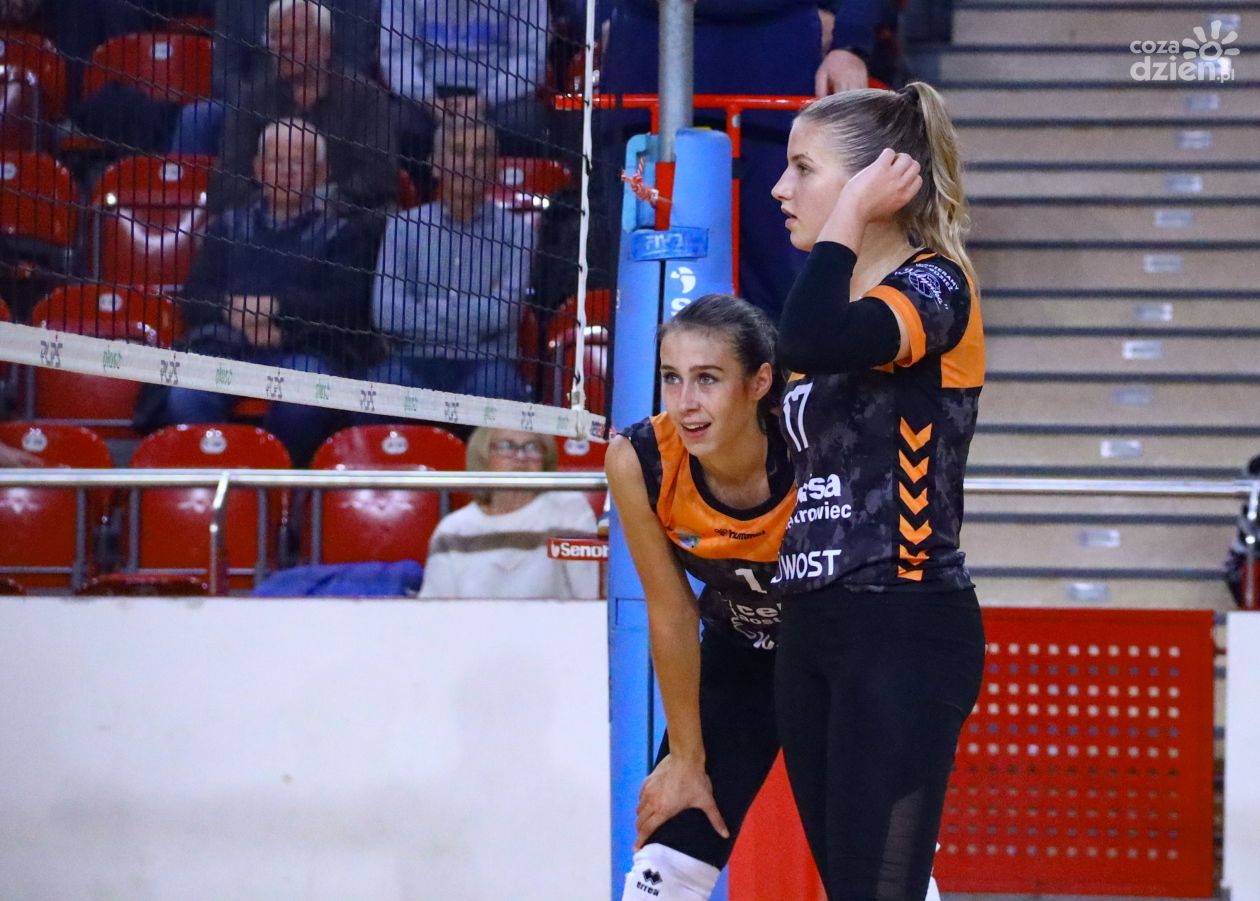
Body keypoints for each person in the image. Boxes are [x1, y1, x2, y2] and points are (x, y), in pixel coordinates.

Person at [768, 81, 986, 900]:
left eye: (803, 168)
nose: (780, 188)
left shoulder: (937, 287)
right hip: (812, 626)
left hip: (902, 622)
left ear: (874, 182)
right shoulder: (834, 301)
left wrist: (853, 213)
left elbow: (809, 338)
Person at [606, 295, 792, 900]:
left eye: (707, 379)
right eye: (671, 378)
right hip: (738, 659)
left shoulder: (814, 439)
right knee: (663, 865)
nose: (686, 402)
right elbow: (670, 609)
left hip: (836, 660)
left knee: (877, 865)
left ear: (759, 382)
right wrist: (686, 757)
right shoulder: (639, 459)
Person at [596, 0, 898, 322]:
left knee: (781, 279)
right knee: (641, 282)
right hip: (642, 60)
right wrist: (598, 17)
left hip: (772, 67)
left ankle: (787, 355)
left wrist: (850, 44)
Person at [136, 118, 380, 464]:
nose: (286, 171)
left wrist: (278, 312)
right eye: (277, 161)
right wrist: (233, 313)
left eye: (298, 162)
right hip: (227, 345)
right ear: (258, 168)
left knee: (302, 406)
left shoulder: (344, 234)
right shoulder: (226, 226)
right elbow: (195, 297)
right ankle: (221, 482)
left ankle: (274, 483)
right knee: (185, 397)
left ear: (322, 173)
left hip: (305, 352)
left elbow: (347, 308)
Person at [177, 0, 399, 214]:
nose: (283, 45)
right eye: (275, 36)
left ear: (326, 46)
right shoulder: (252, 100)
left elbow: (379, 176)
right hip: (267, 221)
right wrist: (276, 203)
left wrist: (319, 203)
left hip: (339, 220)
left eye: (296, 35)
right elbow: (226, 180)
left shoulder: (366, 99)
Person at [368, 119, 533, 404]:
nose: (469, 163)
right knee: (381, 391)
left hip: (487, 363)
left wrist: (428, 309)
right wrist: (472, 318)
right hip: (415, 358)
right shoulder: (403, 227)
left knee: (497, 392)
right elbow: (387, 313)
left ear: (495, 167)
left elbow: (504, 313)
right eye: (457, 152)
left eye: (480, 154)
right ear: (435, 164)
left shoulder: (518, 231)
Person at [419, 427, 599, 599]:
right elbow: (434, 612)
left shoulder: (569, 509)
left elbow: (591, 599)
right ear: (483, 456)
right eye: (506, 446)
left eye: (532, 447)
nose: (520, 456)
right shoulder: (452, 529)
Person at [379, 0, 550, 161]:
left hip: (499, 96)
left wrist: (484, 100)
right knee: (391, 124)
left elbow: (531, 57)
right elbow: (396, 57)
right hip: (426, 94)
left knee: (526, 123)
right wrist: (427, 99)